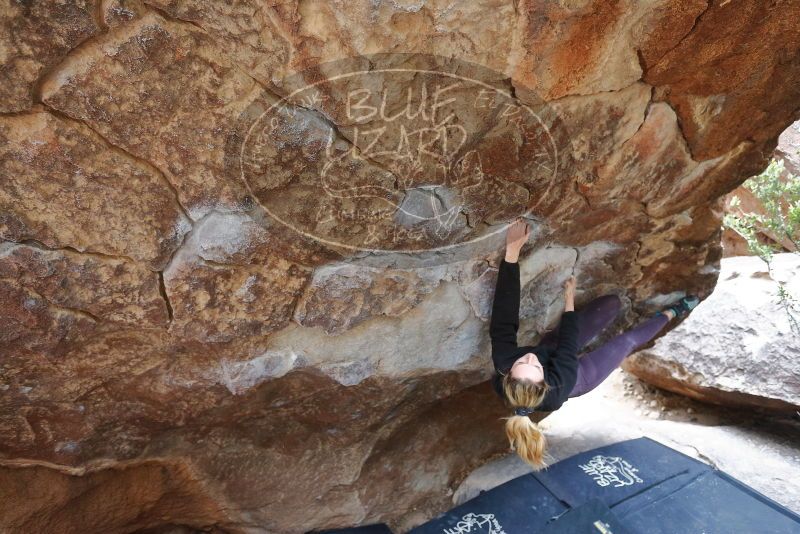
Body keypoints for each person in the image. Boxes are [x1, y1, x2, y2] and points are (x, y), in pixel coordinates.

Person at [490, 218, 700, 469]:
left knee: (611, 304)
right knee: (627, 341)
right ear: (544, 380)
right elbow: (568, 345)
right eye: (535, 367)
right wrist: (569, 299)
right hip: (579, 376)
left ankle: (618, 314)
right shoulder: (560, 383)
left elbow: (504, 315)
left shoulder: (504, 360)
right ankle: (671, 313)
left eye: (523, 360)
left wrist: (512, 254)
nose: (530, 358)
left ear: (508, 373)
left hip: (551, 352)